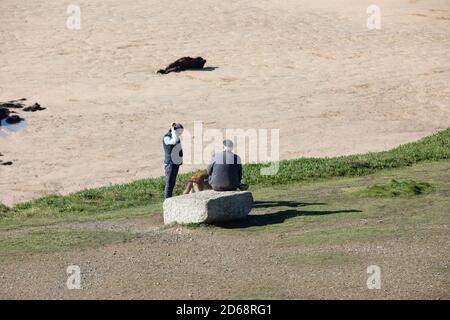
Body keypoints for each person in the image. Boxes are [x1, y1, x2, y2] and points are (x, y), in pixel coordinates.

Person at [162, 123, 184, 198]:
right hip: (170, 163)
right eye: (179, 132)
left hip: (175, 163)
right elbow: (173, 141)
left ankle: (169, 199)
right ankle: (167, 200)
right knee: (169, 183)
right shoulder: (167, 137)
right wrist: (173, 130)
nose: (180, 134)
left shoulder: (176, 137)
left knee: (172, 183)